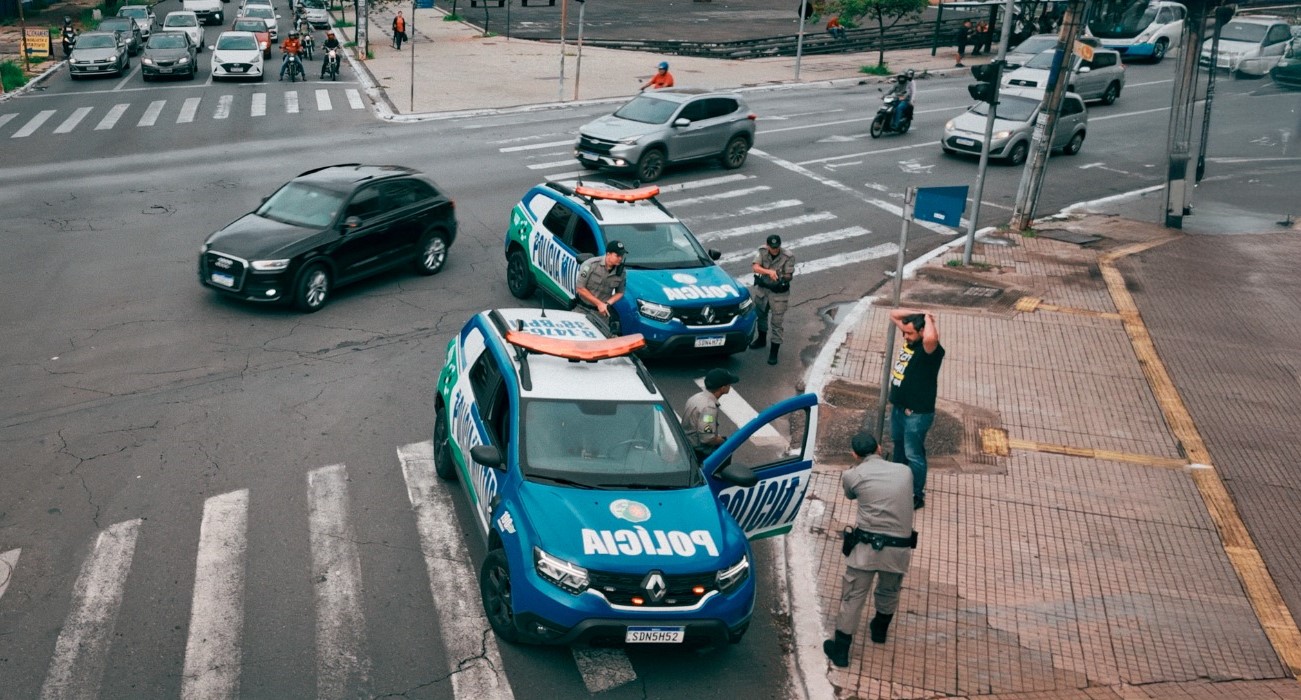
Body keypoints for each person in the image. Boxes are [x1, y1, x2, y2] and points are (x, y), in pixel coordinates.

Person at [822, 432, 916, 667]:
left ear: (854, 454)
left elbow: (851, 494)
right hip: (899, 550)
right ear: (879, 448)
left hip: (865, 549)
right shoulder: (905, 471)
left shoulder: (852, 475)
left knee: (853, 595)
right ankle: (879, 631)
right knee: (889, 590)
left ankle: (841, 651)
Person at [887, 308, 944, 510]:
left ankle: (916, 494)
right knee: (899, 449)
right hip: (899, 409)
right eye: (905, 332)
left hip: (916, 414)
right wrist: (920, 311)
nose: (905, 335)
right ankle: (897, 485)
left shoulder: (930, 350)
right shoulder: (912, 337)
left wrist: (928, 319)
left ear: (922, 331)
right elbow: (894, 314)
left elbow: (930, 336)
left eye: (910, 333)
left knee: (914, 455)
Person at [749, 234, 794, 365]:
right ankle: (761, 339)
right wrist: (769, 272)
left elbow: (789, 275)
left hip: (778, 294)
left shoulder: (788, 256)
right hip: (763, 291)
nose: (775, 250)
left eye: (777, 247)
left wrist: (781, 277)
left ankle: (774, 352)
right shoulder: (762, 251)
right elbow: (755, 267)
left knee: (777, 323)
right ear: (767, 245)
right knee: (761, 316)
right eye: (772, 248)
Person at [682, 369, 739, 462]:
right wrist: (724, 442)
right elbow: (707, 438)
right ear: (723, 388)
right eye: (729, 384)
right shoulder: (709, 409)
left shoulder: (696, 397)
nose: (730, 386)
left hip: (687, 443)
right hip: (699, 452)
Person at [576, 240, 627, 329]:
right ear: (608, 254)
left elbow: (620, 292)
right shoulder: (591, 265)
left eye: (621, 256)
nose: (620, 258)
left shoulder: (621, 272)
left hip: (602, 313)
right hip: (582, 308)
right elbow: (580, 288)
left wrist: (607, 303)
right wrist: (599, 303)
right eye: (617, 255)